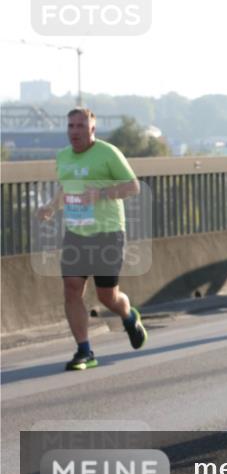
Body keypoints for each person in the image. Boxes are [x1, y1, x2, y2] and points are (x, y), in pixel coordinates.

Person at [36, 108, 147, 370]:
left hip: (108, 233)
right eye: (71, 126)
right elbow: (67, 187)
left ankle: (129, 316)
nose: (75, 131)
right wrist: (51, 206)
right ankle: (84, 351)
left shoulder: (108, 153)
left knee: (108, 297)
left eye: (80, 126)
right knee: (72, 289)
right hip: (76, 233)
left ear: (92, 129)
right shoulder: (63, 157)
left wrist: (103, 193)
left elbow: (133, 186)